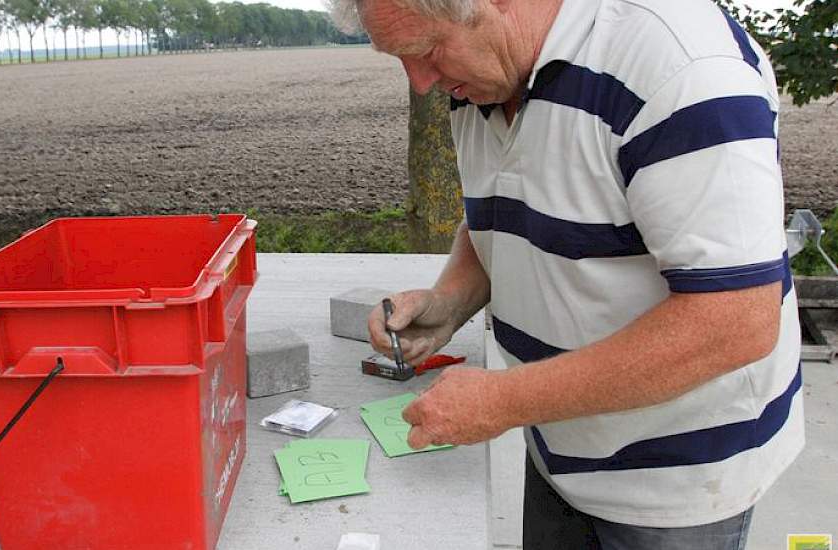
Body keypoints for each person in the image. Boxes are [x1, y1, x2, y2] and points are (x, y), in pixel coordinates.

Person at [330, 0, 804, 547]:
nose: (421, 83)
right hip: (560, 439)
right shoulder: (480, 77)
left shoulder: (681, 65)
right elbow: (510, 210)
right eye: (402, 58)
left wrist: (505, 401)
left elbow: (734, 322)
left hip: (677, 481)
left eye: (428, 50)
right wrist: (448, 304)